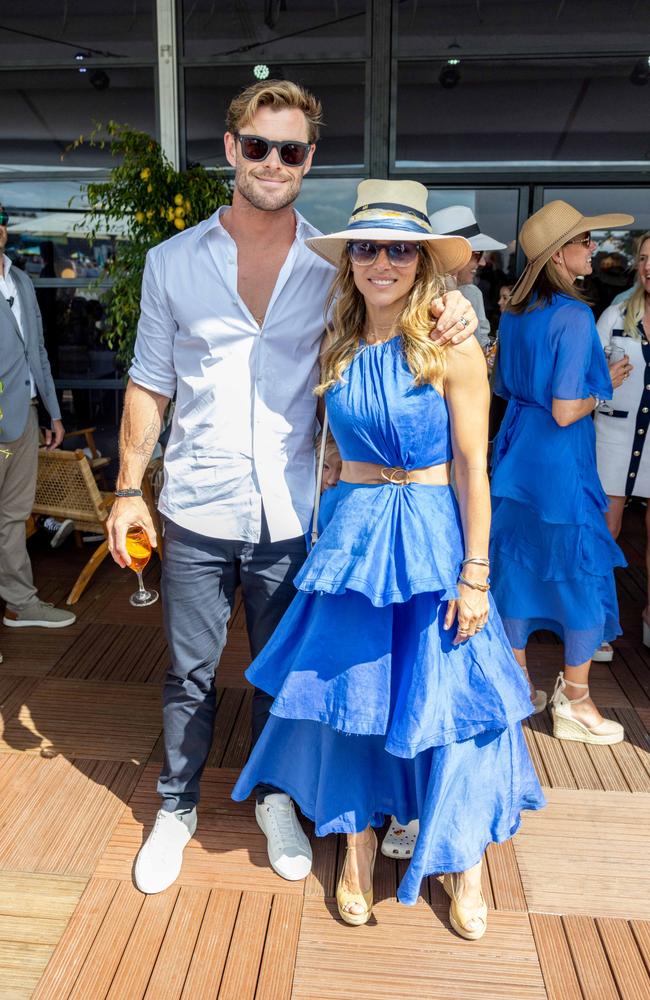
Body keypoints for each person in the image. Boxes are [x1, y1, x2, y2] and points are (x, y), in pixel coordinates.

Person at [105, 80, 479, 896]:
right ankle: (176, 805)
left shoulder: (335, 263)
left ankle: (276, 796)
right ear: (232, 150)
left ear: (309, 162)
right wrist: (129, 487)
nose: (275, 162)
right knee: (189, 672)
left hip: (296, 512)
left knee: (285, 670)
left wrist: (456, 311)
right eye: (260, 146)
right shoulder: (172, 263)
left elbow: (400, 306)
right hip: (198, 507)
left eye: (293, 150)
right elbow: (148, 383)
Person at [232, 180, 545, 940]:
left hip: (433, 537)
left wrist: (476, 575)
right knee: (353, 703)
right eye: (367, 248)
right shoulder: (337, 338)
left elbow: (475, 467)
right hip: (354, 541)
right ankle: (357, 849)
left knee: (451, 702)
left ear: (420, 260)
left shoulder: (450, 338)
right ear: (350, 263)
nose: (381, 261)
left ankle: (464, 859)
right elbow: (332, 440)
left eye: (398, 248)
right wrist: (336, 481)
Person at [490, 199, 634, 746]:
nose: (592, 249)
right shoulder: (573, 316)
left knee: (518, 572)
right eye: (583, 242)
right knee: (581, 578)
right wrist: (606, 383)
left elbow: (507, 388)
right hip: (558, 464)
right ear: (557, 255)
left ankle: (518, 685)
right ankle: (574, 701)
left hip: (517, 456)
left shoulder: (517, 312)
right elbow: (566, 407)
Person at [0, 204, 76, 629]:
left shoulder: (21, 281)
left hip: (24, 418)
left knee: (12, 517)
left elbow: (38, 353)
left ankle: (19, 603)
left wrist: (51, 411)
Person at [594, 232, 650, 644]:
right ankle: (594, 622)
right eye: (645, 259)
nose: (648, 267)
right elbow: (587, 381)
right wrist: (603, 386)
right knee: (605, 530)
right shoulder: (615, 316)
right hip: (613, 439)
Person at [429, 205, 507, 351]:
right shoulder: (469, 293)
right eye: (477, 255)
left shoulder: (470, 292)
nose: (483, 262)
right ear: (451, 256)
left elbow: (480, 346)